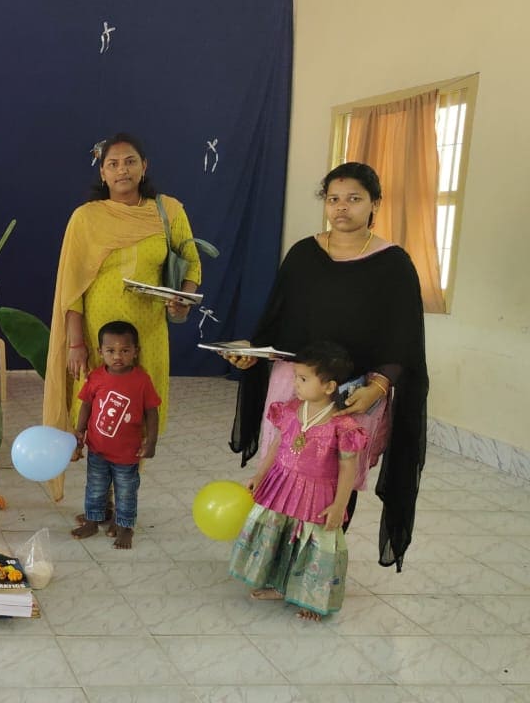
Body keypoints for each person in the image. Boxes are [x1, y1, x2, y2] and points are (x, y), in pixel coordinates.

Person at [224, 162, 428, 571]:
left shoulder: (393, 263)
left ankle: (315, 568)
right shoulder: (304, 254)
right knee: (283, 469)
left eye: (354, 199)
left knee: (334, 479)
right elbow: (275, 323)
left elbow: (404, 339)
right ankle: (274, 564)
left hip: (356, 392)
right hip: (295, 385)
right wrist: (251, 352)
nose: (341, 208)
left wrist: (378, 387)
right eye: (333, 199)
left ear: (375, 203)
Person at [44, 133, 202, 506]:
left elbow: (191, 262)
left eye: (130, 161)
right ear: (102, 172)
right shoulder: (86, 218)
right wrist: (76, 343)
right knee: (98, 411)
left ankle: (124, 498)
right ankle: (99, 497)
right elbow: (72, 287)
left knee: (139, 410)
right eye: (113, 164)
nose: (122, 170)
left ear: (144, 166)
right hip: (97, 335)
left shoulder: (169, 211)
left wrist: (183, 298)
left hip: (147, 333)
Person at [229, 341, 367, 621]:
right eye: (295, 377)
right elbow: (278, 444)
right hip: (282, 483)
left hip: (317, 494)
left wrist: (339, 505)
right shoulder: (292, 409)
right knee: (279, 535)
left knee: (312, 544)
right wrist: (260, 475)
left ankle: (312, 598)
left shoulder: (342, 425)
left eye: (303, 379)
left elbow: (348, 467)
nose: (295, 384)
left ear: (329, 387)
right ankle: (279, 585)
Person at [71, 321, 161, 549]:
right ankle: (92, 521)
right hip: (97, 450)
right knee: (95, 488)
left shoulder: (142, 380)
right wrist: (80, 433)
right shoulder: (96, 377)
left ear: (136, 351)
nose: (118, 356)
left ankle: (125, 527)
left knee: (126, 493)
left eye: (125, 350)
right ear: (100, 352)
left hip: (128, 454)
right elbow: (86, 405)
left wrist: (151, 442)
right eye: (111, 351)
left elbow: (152, 412)